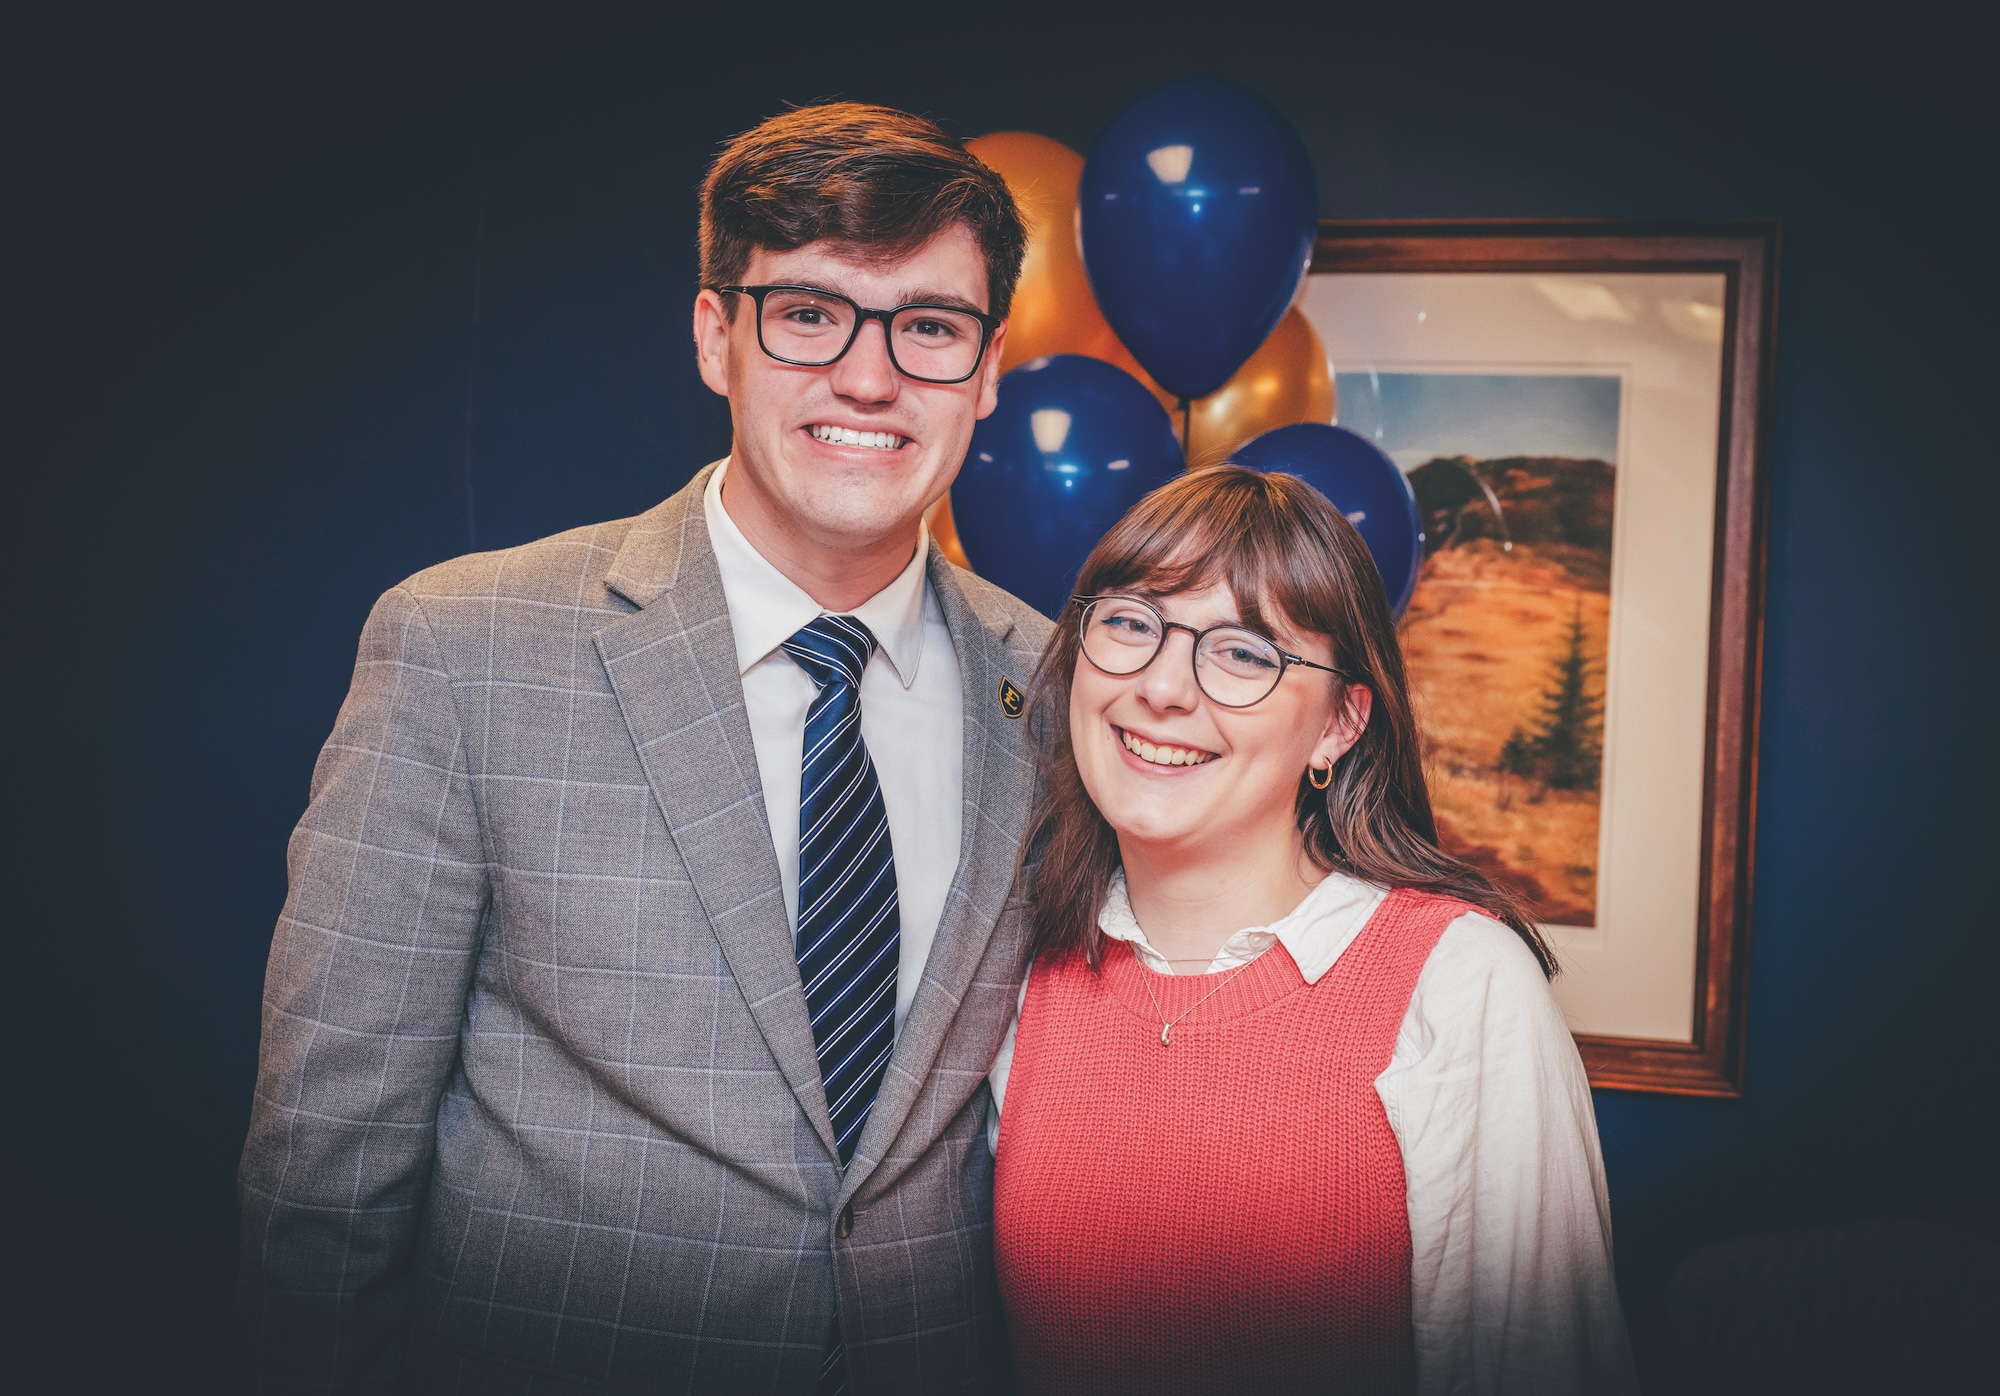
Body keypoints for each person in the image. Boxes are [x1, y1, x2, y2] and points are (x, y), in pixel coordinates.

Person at [237, 103, 1049, 1393]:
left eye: (929, 328)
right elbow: (329, 1148)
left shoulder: (1059, 686)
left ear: (989, 366)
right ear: (714, 336)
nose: (868, 378)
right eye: (807, 314)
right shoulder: (465, 645)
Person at [990, 465, 1639, 1395]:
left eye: (1246, 653)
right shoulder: (1026, 977)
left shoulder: (1460, 984)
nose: (1165, 688)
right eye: (1131, 623)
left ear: (1339, 723)